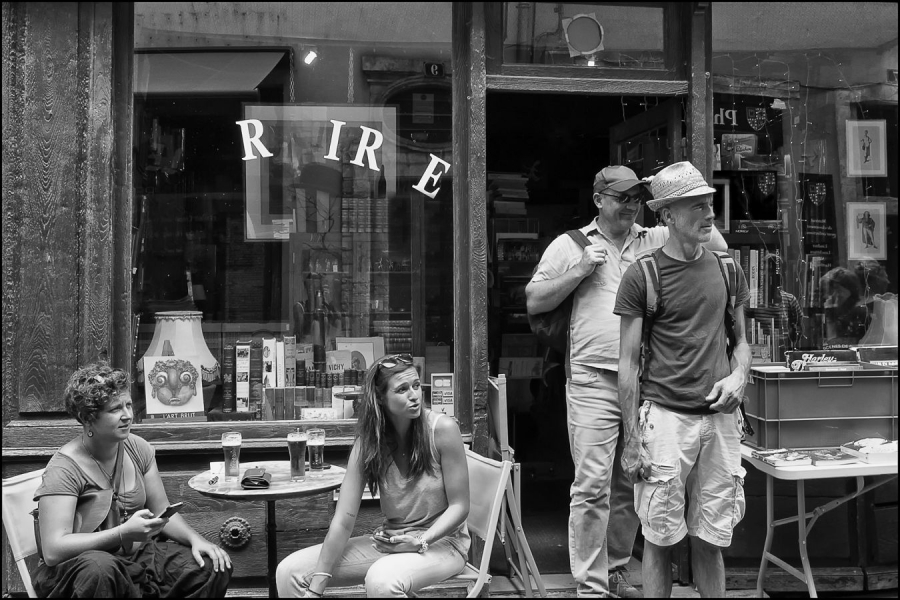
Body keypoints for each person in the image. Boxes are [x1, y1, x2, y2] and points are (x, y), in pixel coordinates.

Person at [525, 165, 726, 598]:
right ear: (599, 199)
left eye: (637, 197)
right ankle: (591, 586)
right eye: (621, 198)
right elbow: (534, 299)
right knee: (592, 483)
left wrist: (666, 192)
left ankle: (616, 567)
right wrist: (578, 270)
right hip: (592, 381)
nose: (629, 206)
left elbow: (715, 241)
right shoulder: (571, 244)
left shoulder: (653, 236)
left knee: (631, 479)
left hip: (646, 382)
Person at [615, 161, 751, 598]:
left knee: (711, 540)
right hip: (666, 420)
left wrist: (740, 377)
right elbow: (627, 365)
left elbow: (743, 343)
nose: (710, 214)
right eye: (697, 206)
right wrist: (632, 439)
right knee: (659, 539)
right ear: (668, 215)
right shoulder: (644, 274)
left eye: (710, 203)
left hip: (721, 420)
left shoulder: (728, 269)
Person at [32, 361, 232, 598]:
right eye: (115, 409)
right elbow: (54, 550)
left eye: (128, 405)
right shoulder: (64, 469)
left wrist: (196, 540)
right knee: (101, 570)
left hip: (135, 557)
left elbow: (163, 511)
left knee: (209, 566)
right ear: (88, 418)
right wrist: (122, 533)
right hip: (80, 569)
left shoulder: (138, 449)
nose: (127, 415)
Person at [276, 353, 470, 598]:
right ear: (380, 397)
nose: (414, 395)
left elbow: (460, 506)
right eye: (402, 389)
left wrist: (422, 540)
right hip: (391, 543)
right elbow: (344, 521)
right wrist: (316, 589)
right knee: (289, 571)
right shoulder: (369, 442)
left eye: (417, 386)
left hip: (443, 544)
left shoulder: (443, 430)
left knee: (381, 581)